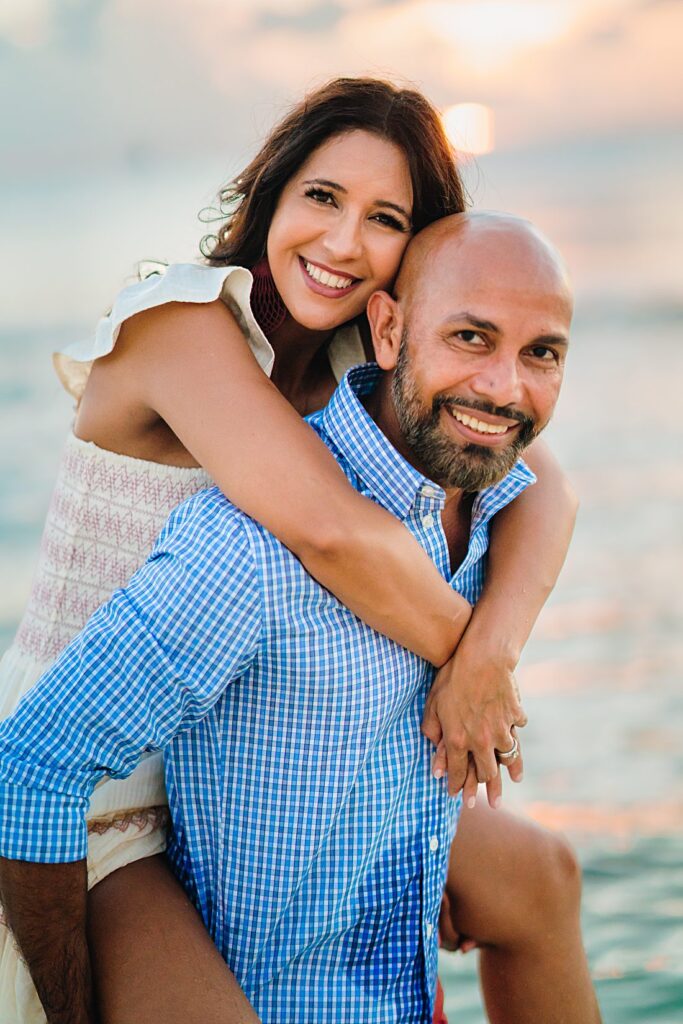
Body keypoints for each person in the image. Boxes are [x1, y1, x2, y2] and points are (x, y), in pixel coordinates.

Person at [0, 79, 593, 1023]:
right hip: (105, 781)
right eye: (321, 197)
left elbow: (543, 487)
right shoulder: (182, 323)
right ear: (271, 194)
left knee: (539, 877)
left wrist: (490, 658)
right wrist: (466, 662)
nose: (344, 242)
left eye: (386, 217)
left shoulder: (358, 349)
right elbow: (333, 534)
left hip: (231, 743)